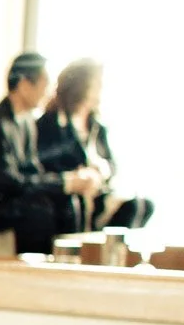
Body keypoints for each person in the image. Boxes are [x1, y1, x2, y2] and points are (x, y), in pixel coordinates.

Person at [0, 52, 102, 254]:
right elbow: (7, 182)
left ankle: (68, 266)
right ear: (24, 84)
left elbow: (32, 172)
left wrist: (67, 183)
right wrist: (64, 182)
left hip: (0, 199)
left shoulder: (26, 123)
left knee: (65, 201)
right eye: (44, 83)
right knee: (36, 212)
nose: (48, 91)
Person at [37, 58, 151, 231]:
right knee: (73, 206)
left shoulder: (97, 126)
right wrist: (78, 176)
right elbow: (44, 163)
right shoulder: (51, 123)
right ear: (81, 86)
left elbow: (112, 165)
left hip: (98, 191)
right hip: (69, 194)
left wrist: (101, 171)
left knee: (141, 205)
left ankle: (111, 255)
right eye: (97, 85)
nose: (100, 91)